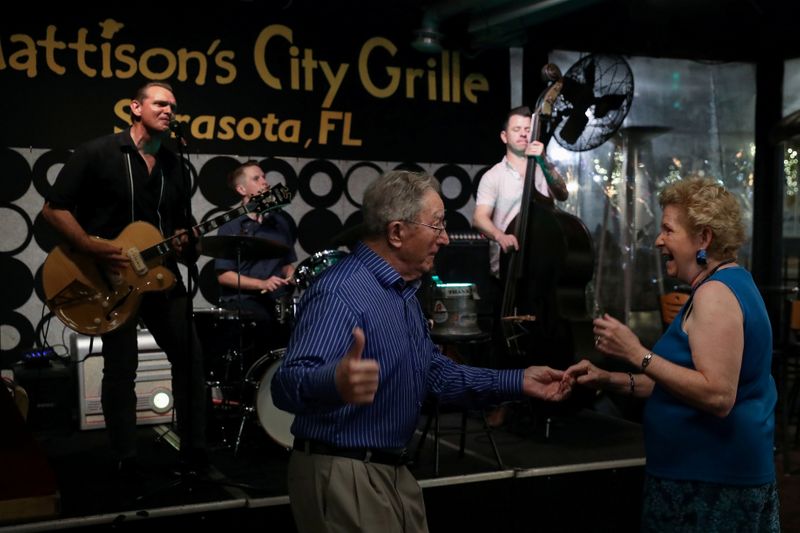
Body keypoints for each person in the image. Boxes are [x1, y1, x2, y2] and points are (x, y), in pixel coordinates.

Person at [270, 170, 572, 533]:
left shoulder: (402, 291)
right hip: (345, 473)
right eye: (437, 225)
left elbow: (436, 375)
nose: (445, 239)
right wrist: (333, 381)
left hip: (390, 472)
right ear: (397, 232)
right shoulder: (341, 292)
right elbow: (284, 385)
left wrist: (519, 381)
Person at [565, 177, 780, 532]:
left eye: (668, 229)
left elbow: (717, 395)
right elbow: (679, 383)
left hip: (709, 485)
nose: (658, 240)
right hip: (701, 477)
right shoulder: (721, 285)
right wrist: (610, 379)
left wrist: (637, 353)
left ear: (703, 238)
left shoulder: (716, 296)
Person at [41, 81, 208, 477]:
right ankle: (125, 456)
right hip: (109, 279)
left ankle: (195, 452)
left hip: (161, 279)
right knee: (121, 369)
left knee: (191, 363)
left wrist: (189, 243)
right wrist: (90, 245)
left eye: (173, 106)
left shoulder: (174, 165)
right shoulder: (97, 152)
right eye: (160, 103)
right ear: (135, 107)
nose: (168, 110)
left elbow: (181, 232)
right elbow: (54, 209)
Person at [472, 105, 571, 425]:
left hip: (542, 269)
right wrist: (500, 235)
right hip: (509, 267)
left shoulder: (541, 169)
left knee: (547, 335)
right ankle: (503, 401)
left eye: (527, 129)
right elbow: (479, 219)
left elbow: (562, 192)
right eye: (516, 129)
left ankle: (550, 401)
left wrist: (543, 159)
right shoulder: (493, 176)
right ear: (504, 136)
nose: (523, 133)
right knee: (504, 341)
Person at [215, 160, 297, 354]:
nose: (265, 182)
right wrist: (262, 284)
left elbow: (286, 264)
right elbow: (224, 276)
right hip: (245, 304)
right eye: (257, 178)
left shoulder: (280, 221)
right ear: (242, 189)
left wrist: (291, 274)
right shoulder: (231, 226)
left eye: (264, 177)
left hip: (277, 302)